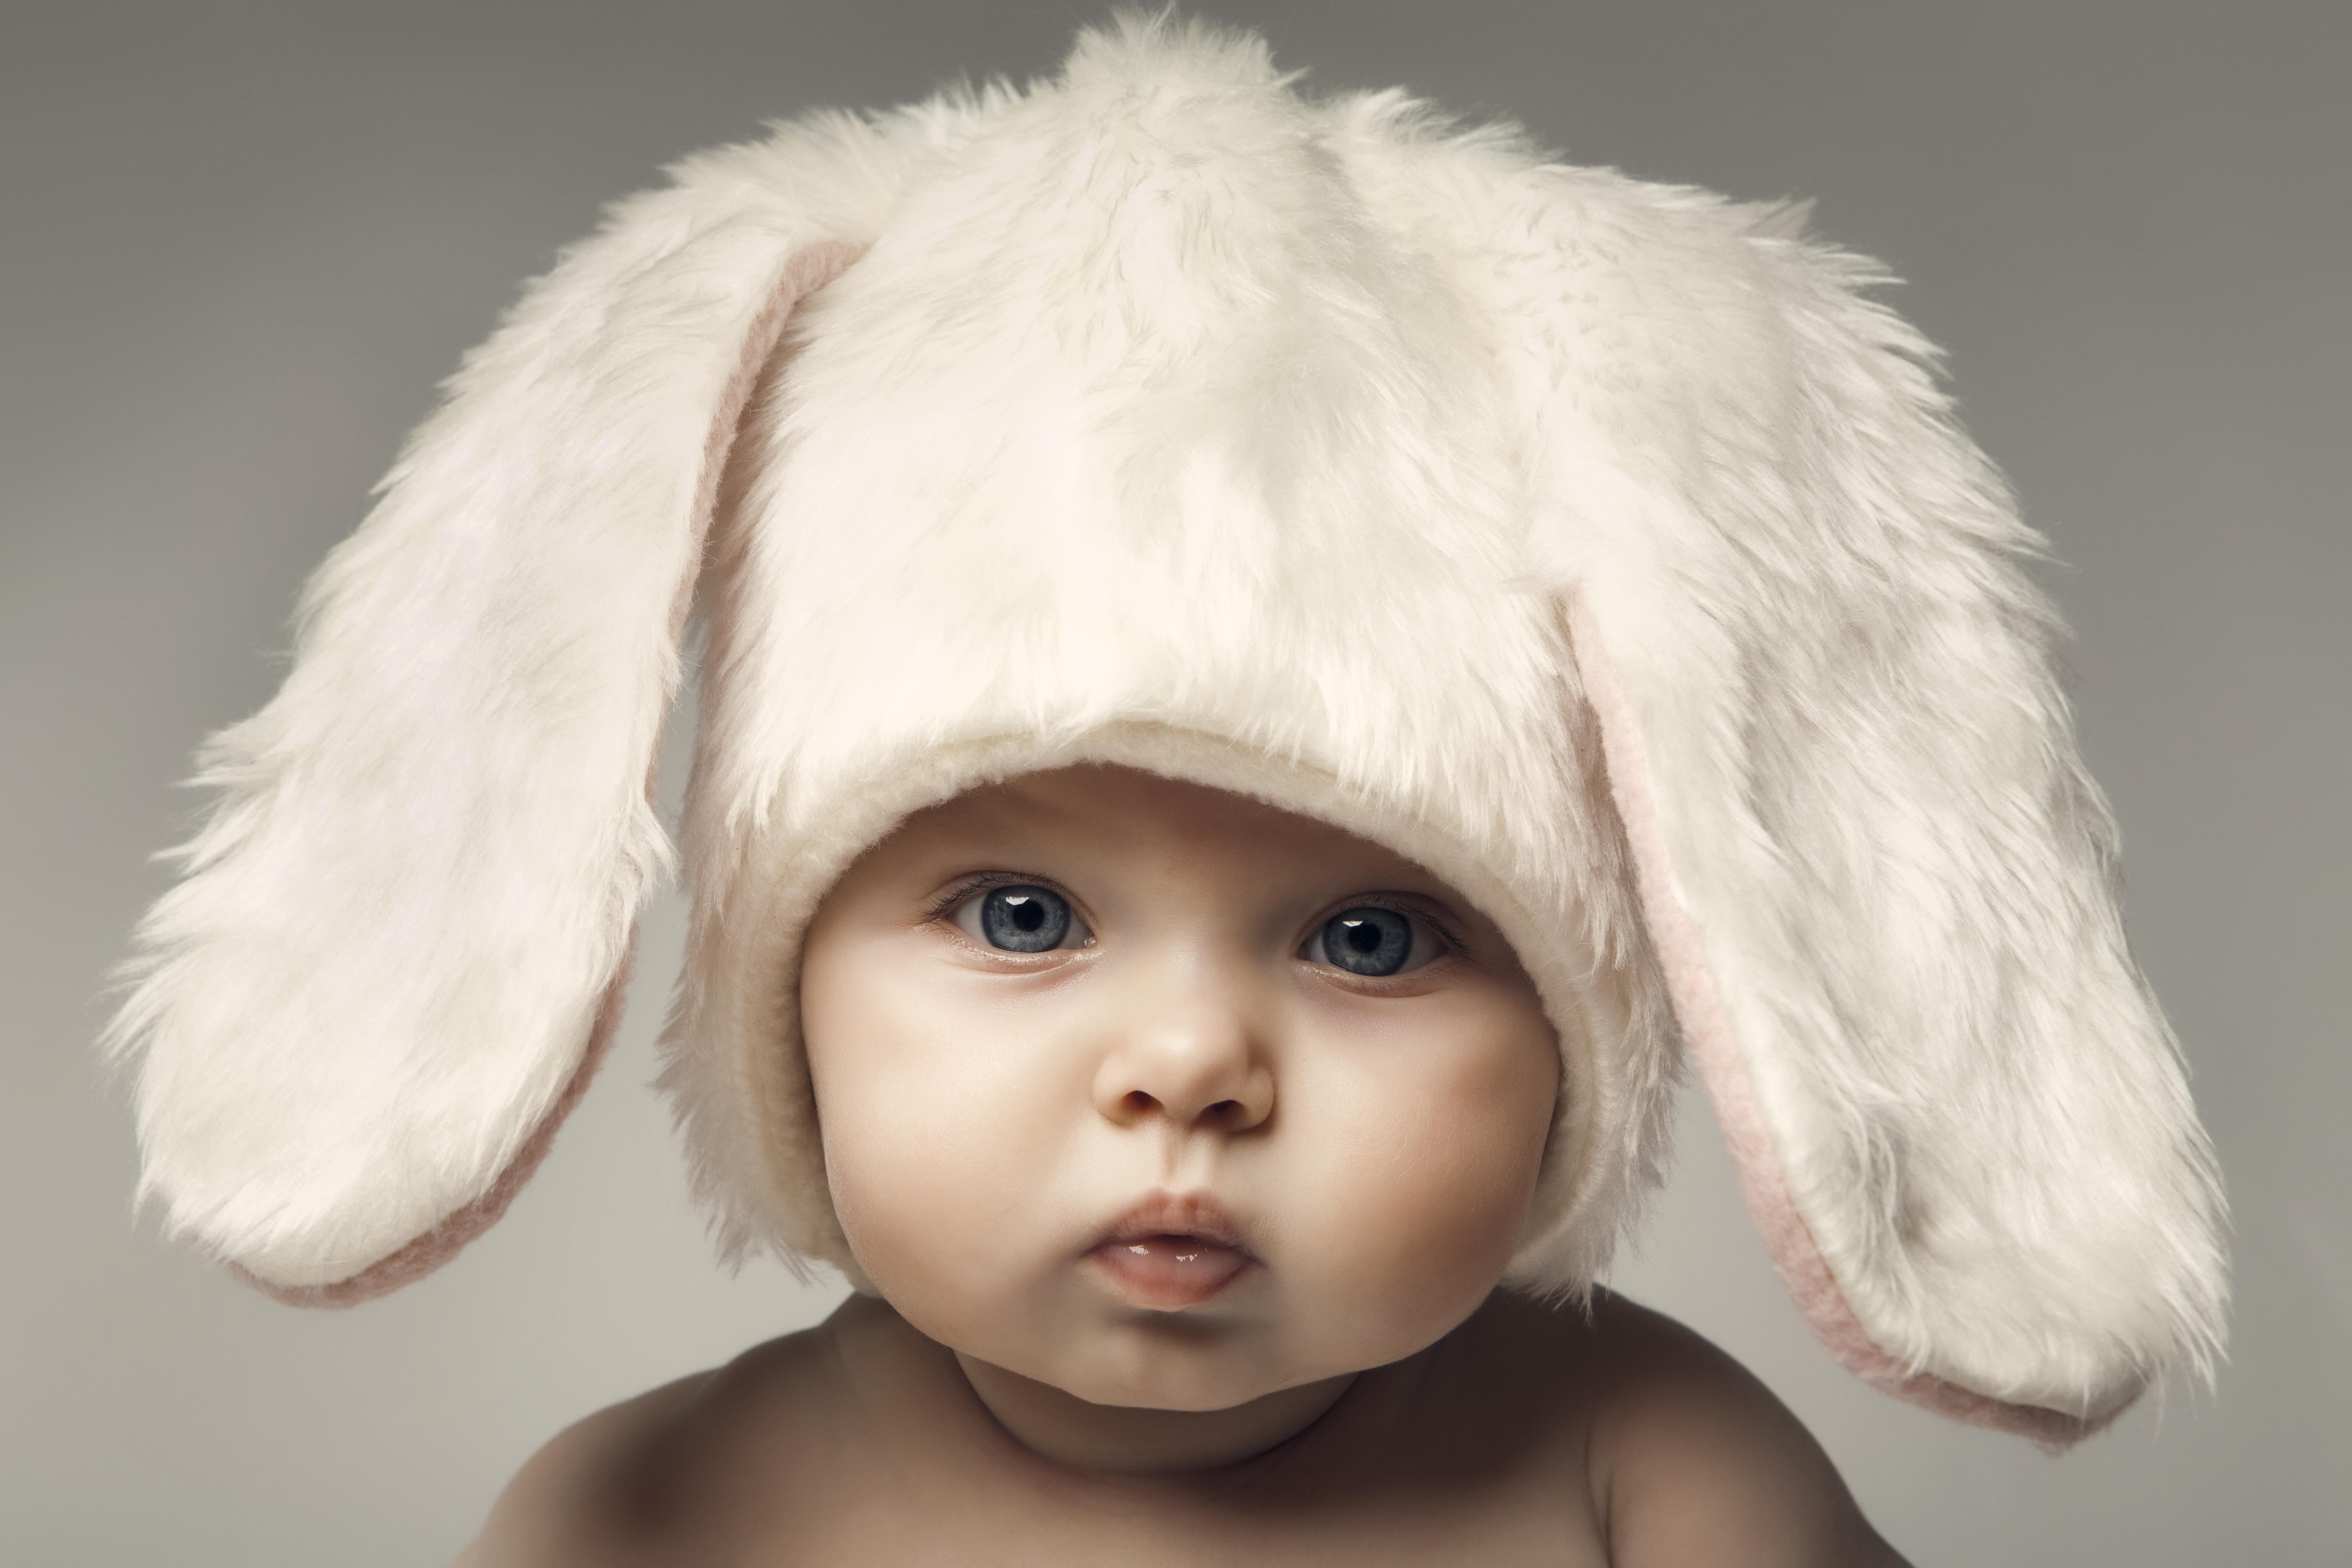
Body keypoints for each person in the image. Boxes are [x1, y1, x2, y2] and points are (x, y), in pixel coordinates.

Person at [106, 13, 2226, 1564]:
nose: (1192, 1064)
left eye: (1376, 936)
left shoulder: (1653, 1481)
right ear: (782, 1001)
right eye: (1020, 913)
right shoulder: (647, 1518)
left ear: (1619, 1017)